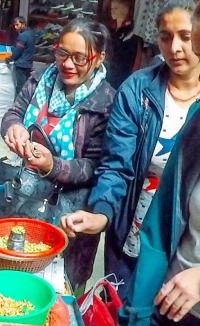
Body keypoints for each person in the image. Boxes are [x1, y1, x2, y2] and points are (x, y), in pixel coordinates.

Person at [61, 0, 200, 298]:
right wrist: (102, 213)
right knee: (121, 324)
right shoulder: (137, 91)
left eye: (185, 37)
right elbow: (116, 164)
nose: (175, 47)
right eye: (165, 37)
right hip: (132, 236)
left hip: (188, 250)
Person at [110, 12, 200, 326]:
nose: (182, 48)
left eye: (189, 37)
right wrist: (137, 311)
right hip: (163, 306)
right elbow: (162, 226)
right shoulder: (195, 124)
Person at [1, 19, 115, 289]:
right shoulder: (41, 79)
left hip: (70, 214)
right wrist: (14, 127)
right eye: (62, 53)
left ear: (99, 59)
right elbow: (15, 111)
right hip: (25, 196)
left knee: (58, 290)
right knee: (16, 278)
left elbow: (96, 166)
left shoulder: (106, 101)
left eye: (79, 58)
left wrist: (54, 166)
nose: (67, 64)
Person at [105, 0, 144, 89]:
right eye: (112, 9)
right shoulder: (110, 30)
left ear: (126, 10)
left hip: (124, 80)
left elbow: (136, 63)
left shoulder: (132, 34)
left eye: (116, 8)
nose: (113, 11)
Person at [9, 16, 36, 95]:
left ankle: (17, 104)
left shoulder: (23, 36)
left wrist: (10, 59)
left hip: (21, 65)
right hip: (28, 64)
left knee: (20, 87)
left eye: (17, 25)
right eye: (14, 25)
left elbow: (18, 50)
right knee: (26, 86)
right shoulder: (31, 33)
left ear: (23, 24)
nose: (15, 27)